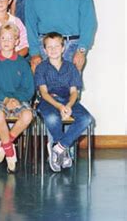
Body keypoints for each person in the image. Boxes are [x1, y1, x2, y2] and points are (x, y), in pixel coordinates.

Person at [35, 32, 93, 172]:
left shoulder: (71, 67)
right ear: (44, 50)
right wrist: (60, 106)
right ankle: (63, 150)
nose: (53, 50)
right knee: (53, 118)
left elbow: (74, 92)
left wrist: (68, 105)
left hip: (68, 100)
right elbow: (43, 93)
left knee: (86, 119)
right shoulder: (41, 67)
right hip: (48, 100)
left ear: (63, 48)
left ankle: (58, 147)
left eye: (57, 46)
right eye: (49, 47)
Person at [0, 23, 34, 173]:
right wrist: (5, 99)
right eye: (3, 38)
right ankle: (10, 152)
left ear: (17, 41)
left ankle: (5, 142)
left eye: (10, 38)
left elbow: (28, 88)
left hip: (18, 98)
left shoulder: (22, 63)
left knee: (27, 115)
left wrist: (16, 99)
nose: (6, 41)